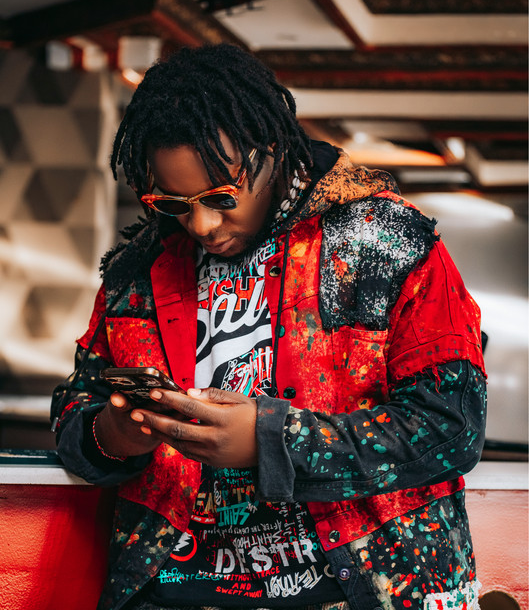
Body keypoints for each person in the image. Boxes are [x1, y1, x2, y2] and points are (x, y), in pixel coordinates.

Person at [51, 43, 487, 610]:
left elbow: (452, 426)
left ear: (272, 152)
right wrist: (113, 436)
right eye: (175, 203)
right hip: (172, 594)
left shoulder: (385, 244)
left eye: (221, 197)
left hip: (358, 592)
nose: (201, 224)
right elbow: (74, 411)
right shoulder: (136, 272)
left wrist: (272, 441)